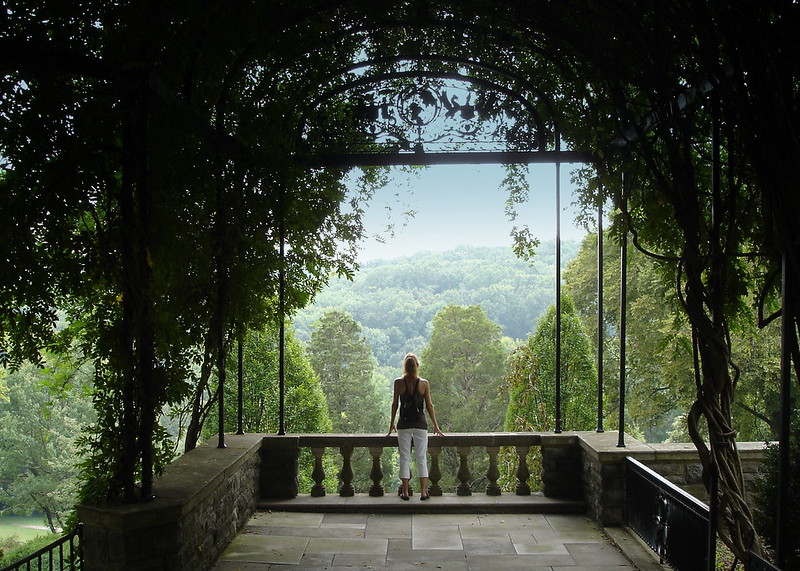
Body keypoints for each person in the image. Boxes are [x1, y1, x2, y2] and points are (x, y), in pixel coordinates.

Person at [387, 352, 444, 500]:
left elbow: (395, 404)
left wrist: (392, 423)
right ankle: (424, 492)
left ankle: (405, 492)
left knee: (404, 457)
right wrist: (435, 425)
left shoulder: (398, 383)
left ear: (404, 367)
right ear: (417, 366)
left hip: (404, 424)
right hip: (420, 424)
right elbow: (429, 405)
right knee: (421, 458)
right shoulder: (424, 383)